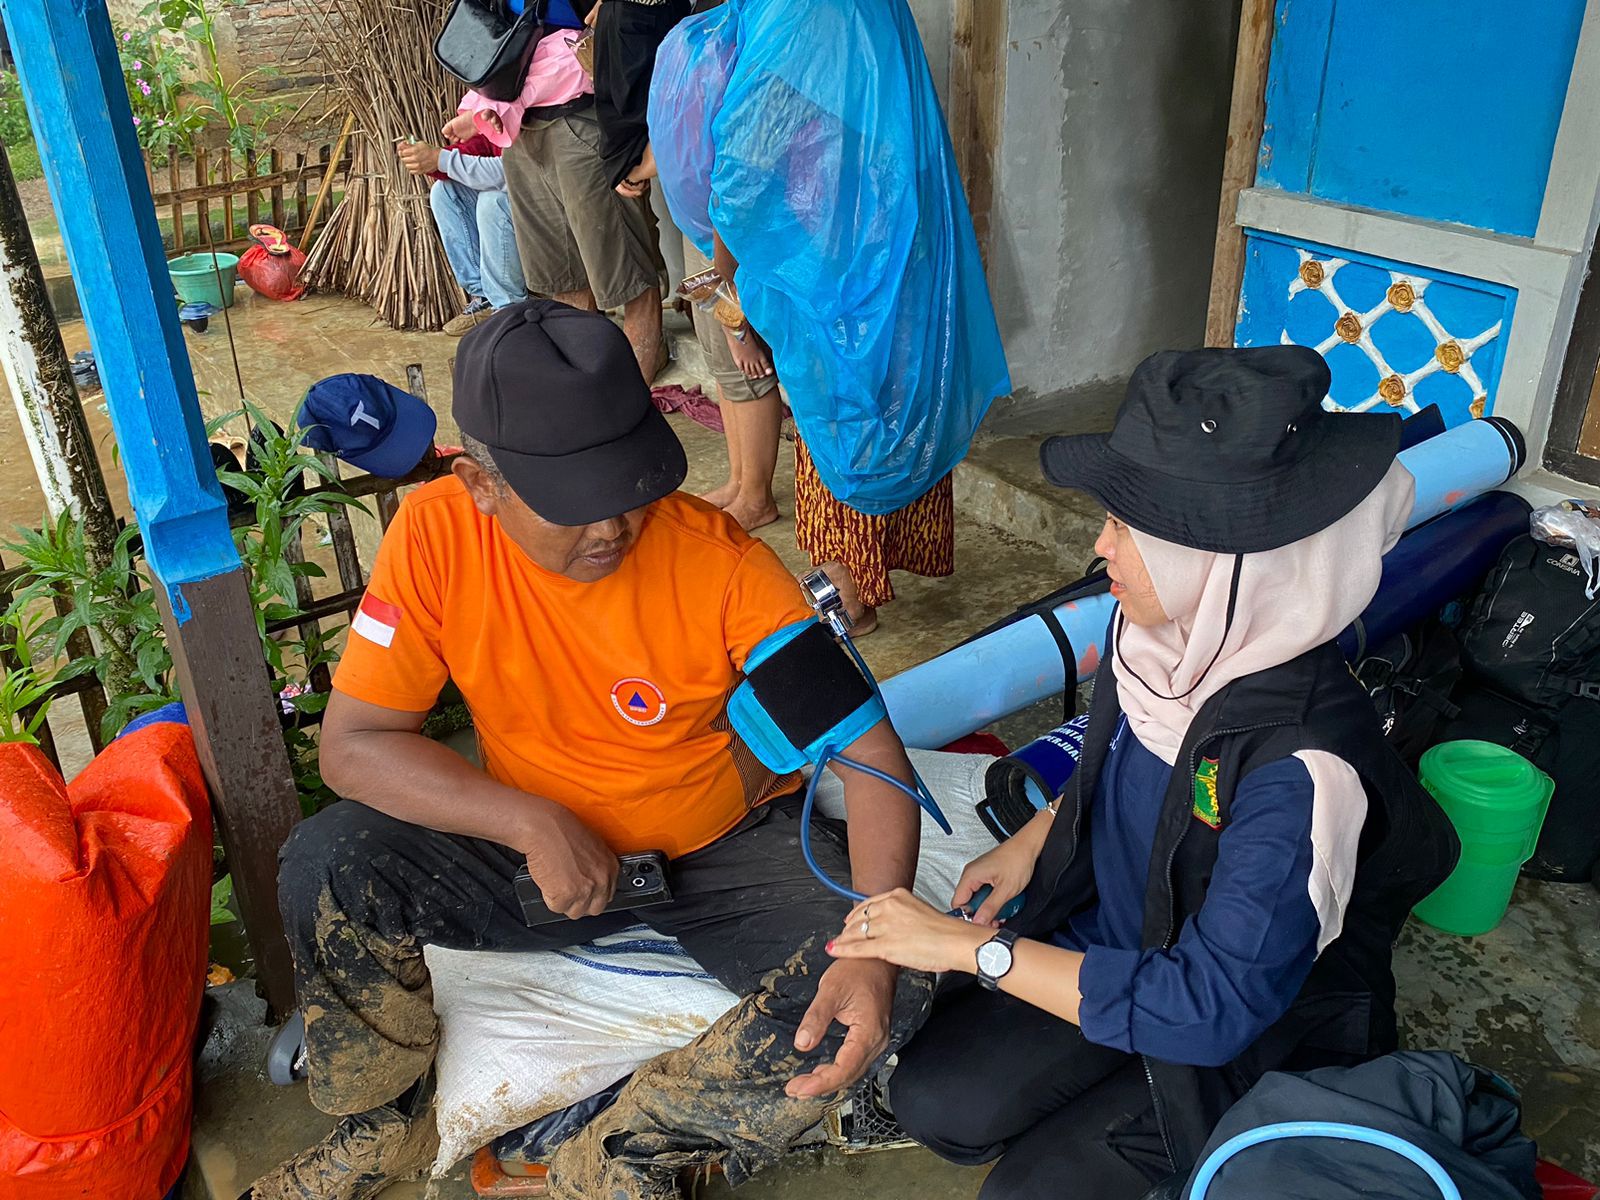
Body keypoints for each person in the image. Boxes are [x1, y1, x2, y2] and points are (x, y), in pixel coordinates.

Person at [240, 300, 931, 1200]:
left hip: (718, 853)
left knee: (891, 981)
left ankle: (613, 1158)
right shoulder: (435, 538)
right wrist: (530, 822)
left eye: (629, 488)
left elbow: (873, 760)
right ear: (479, 483)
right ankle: (384, 1128)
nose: (611, 527)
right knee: (331, 861)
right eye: (573, 503)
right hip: (532, 861)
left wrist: (873, 941)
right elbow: (355, 746)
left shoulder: (721, 565)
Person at [824, 347, 1461, 1198]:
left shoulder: (1305, 769)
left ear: (1226, 560)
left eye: (1128, 527)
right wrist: (1036, 837)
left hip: (1241, 1028)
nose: (1100, 547)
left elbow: (1213, 1006)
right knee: (935, 1097)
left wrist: (975, 949)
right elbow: (1121, 759)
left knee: (1027, 1195)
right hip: (1126, 939)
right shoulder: (1163, 643)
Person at [648, 0, 1010, 632]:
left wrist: (728, 283)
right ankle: (866, 568)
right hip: (892, 237)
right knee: (887, 401)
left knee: (839, 417)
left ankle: (847, 586)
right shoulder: (854, 18)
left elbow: (740, 181)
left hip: (825, 261)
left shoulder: (791, 26)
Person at [486, 9, 667, 384]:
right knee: (563, 282)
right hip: (521, 126)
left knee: (627, 277)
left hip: (584, 116)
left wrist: (627, 144)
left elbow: (633, 24)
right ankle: (591, 400)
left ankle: (632, 403)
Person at [397, 133, 528, 336]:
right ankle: (484, 297)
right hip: (516, 201)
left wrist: (441, 159)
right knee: (444, 192)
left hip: (543, 207)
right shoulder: (491, 120)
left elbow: (512, 172)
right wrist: (433, 160)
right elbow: (481, 147)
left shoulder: (522, 117)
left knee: (492, 201)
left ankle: (508, 307)